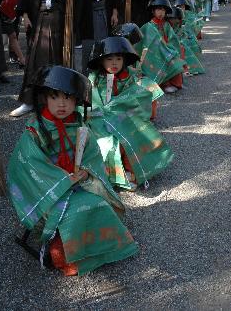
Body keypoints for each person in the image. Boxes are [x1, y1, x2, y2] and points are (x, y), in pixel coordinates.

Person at [8, 65, 138, 275]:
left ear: (76, 101)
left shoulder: (79, 124)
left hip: (78, 182)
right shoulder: (35, 130)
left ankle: (103, 248)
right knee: (73, 213)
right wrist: (61, 179)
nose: (62, 104)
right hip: (49, 188)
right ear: (44, 99)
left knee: (98, 204)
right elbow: (28, 164)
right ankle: (65, 257)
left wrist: (86, 172)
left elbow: (92, 153)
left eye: (68, 98)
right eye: (55, 97)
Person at [10, 0, 80, 117]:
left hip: (60, 18)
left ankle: (57, 102)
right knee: (35, 59)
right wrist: (24, 15)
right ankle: (30, 101)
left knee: (58, 58)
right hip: (38, 16)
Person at [87, 36, 174, 191]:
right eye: (109, 59)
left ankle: (131, 170)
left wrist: (120, 105)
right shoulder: (94, 79)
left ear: (125, 60)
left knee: (133, 138)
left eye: (118, 59)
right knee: (108, 143)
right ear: (101, 61)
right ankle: (113, 175)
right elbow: (88, 102)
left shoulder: (130, 77)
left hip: (126, 117)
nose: (114, 63)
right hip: (99, 119)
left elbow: (137, 97)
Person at [134, 0, 185, 93]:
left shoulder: (166, 25)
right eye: (158, 9)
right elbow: (142, 43)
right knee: (165, 58)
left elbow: (173, 39)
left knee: (176, 55)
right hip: (152, 53)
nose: (161, 13)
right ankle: (165, 84)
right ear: (153, 11)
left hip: (166, 50)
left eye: (163, 10)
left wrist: (170, 47)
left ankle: (173, 83)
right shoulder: (147, 26)